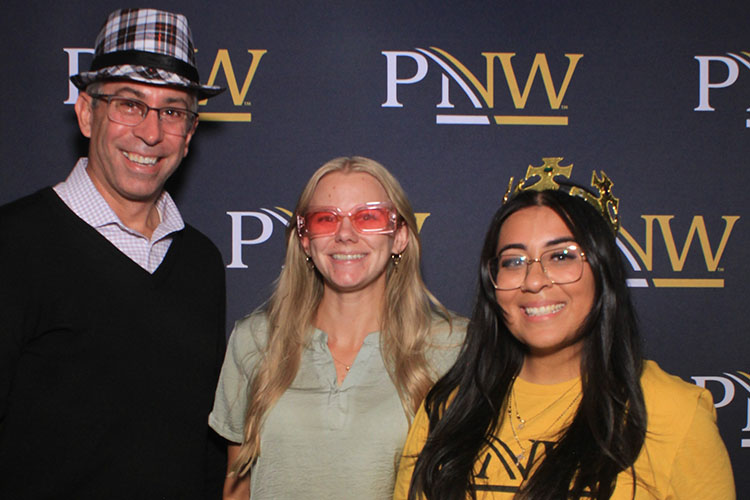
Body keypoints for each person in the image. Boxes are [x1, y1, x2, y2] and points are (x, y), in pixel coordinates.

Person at [394, 159, 736, 499]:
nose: (534, 280)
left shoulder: (675, 413)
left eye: (561, 256)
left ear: (603, 272)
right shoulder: (449, 406)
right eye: (514, 261)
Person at [0, 8, 227, 499]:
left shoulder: (201, 262)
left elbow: (206, 448)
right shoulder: (13, 245)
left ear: (189, 134)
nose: (150, 132)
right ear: (86, 112)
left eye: (172, 110)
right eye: (129, 103)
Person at [209, 156, 465, 499]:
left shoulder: (453, 347)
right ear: (304, 239)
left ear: (400, 236)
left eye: (368, 217)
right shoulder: (255, 340)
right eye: (326, 219)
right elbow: (237, 488)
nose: (345, 234)